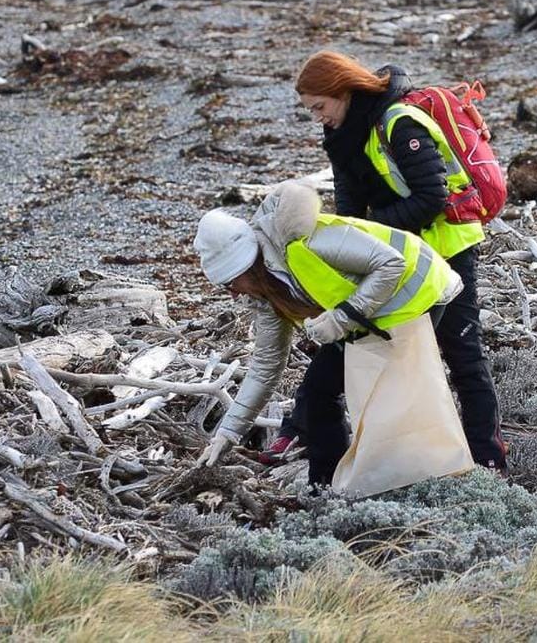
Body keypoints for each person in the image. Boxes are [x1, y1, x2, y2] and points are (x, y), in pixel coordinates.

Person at [274, 50, 507, 473]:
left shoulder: (400, 123)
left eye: (319, 107)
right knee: (350, 341)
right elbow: (350, 208)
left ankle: (488, 458)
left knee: (463, 354)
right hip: (396, 258)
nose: (317, 118)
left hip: (448, 250)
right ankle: (305, 429)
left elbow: (430, 198)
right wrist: (351, 242)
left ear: (342, 91)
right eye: (310, 111)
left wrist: (374, 234)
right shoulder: (343, 138)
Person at [194, 181, 472, 493]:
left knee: (388, 391)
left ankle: (420, 478)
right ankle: (325, 489)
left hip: (419, 289)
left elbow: (391, 263)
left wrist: (341, 319)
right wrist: (228, 433)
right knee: (316, 394)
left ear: (248, 267)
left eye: (230, 284)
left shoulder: (308, 242)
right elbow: (265, 366)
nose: (231, 295)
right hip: (370, 312)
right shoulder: (266, 295)